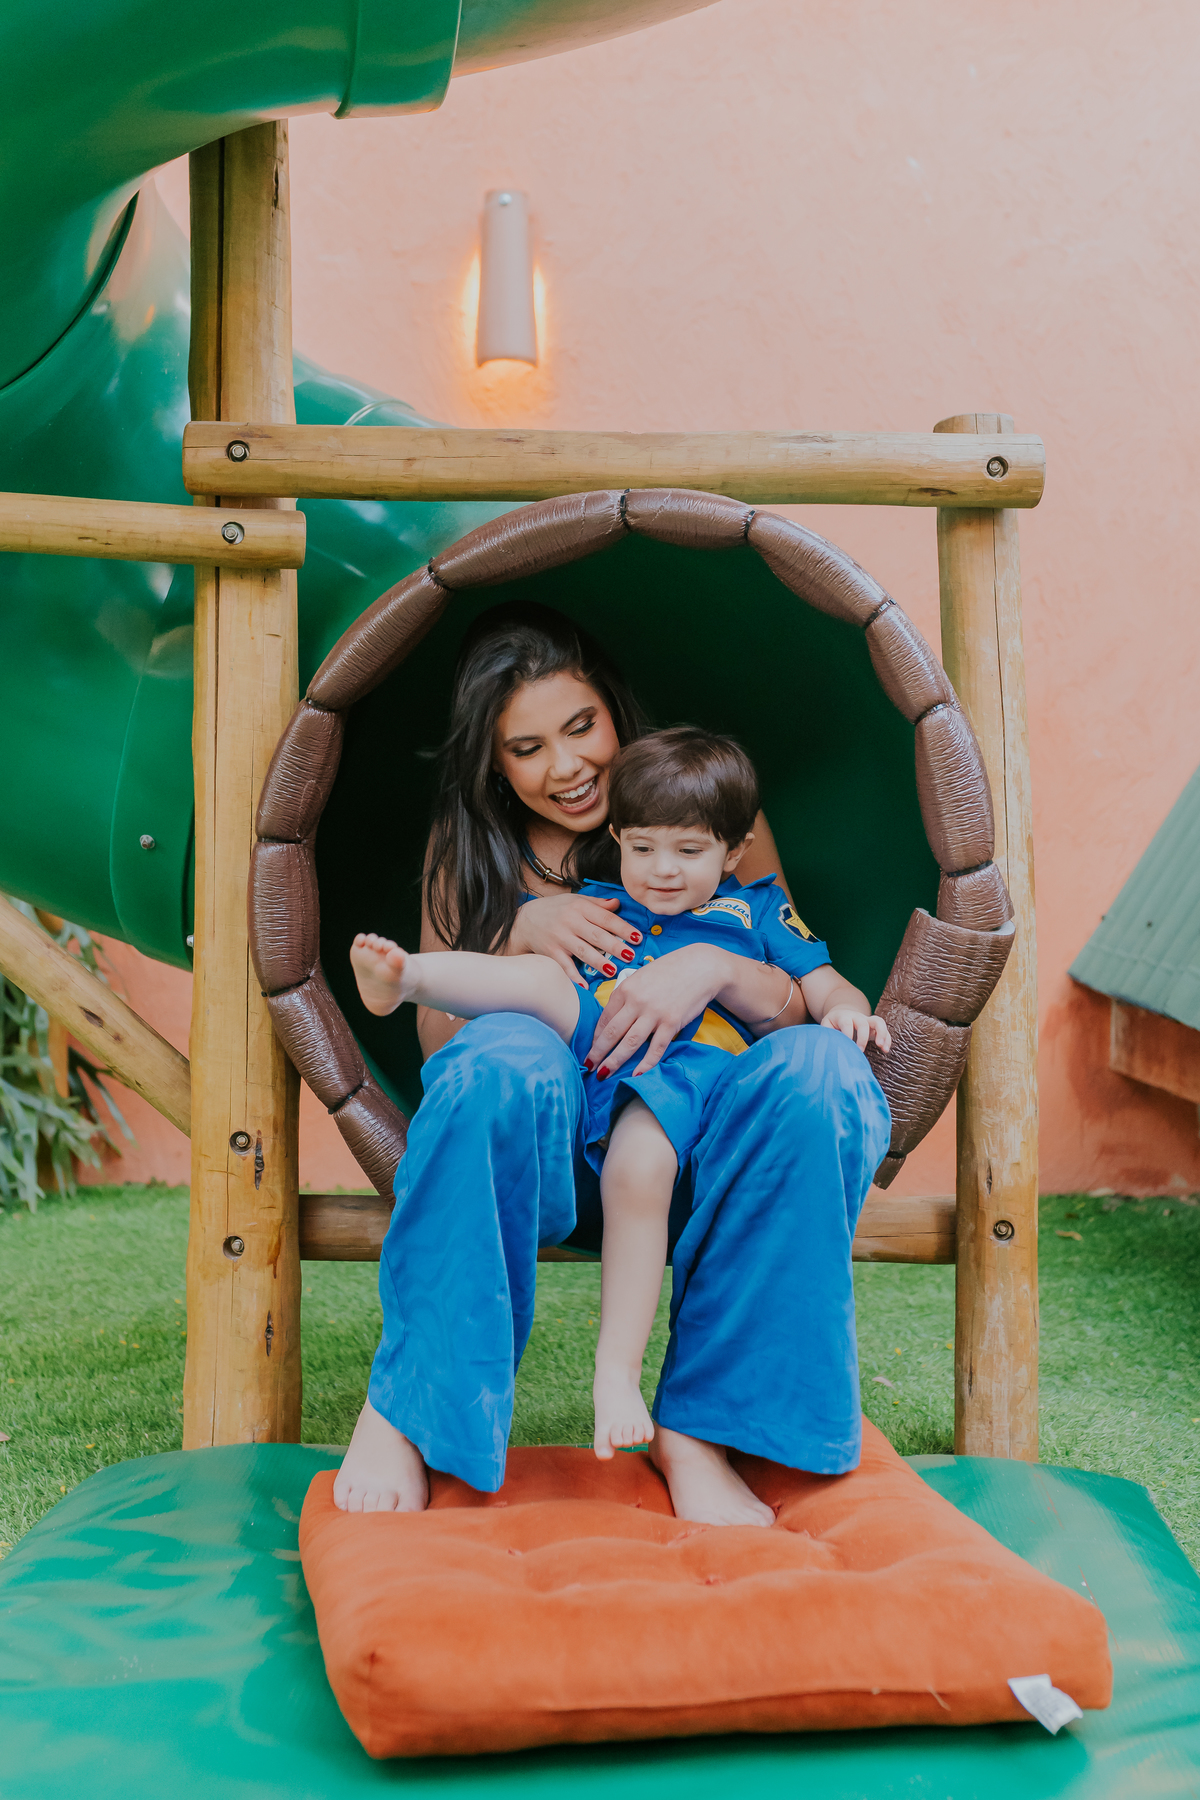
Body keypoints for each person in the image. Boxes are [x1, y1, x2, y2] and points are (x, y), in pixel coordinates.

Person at [333, 601, 892, 1527]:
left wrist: (709, 966)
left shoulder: (691, 816)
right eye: (526, 748)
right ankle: (407, 1409)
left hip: (693, 1135)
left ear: (616, 712)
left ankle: (701, 1430)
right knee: (500, 1054)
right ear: (492, 762)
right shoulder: (469, 849)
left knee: (818, 1069)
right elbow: (445, 1054)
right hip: (554, 1146)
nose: (566, 765)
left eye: (581, 725)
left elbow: (793, 993)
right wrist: (517, 928)